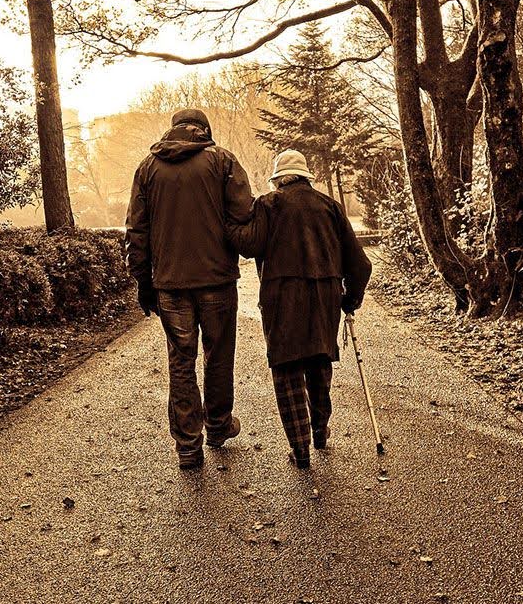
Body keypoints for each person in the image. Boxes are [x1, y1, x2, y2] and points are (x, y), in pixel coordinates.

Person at [125, 109, 254, 469]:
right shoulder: (223, 161)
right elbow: (243, 215)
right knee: (219, 355)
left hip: (171, 285)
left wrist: (142, 280)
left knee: (181, 362)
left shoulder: (148, 167)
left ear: (172, 131)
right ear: (204, 131)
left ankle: (187, 446)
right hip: (217, 281)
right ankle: (217, 425)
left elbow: (137, 229)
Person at [227, 149, 372, 468]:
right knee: (319, 359)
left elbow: (250, 246)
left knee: (287, 366)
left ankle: (301, 448)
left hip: (282, 295)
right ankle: (320, 431)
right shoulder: (330, 206)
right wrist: (349, 299)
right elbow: (361, 265)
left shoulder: (269, 204)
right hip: (324, 294)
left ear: (279, 179)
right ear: (306, 176)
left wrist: (226, 219)